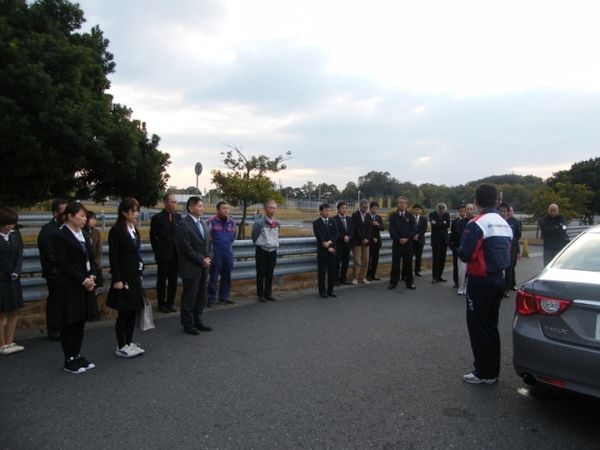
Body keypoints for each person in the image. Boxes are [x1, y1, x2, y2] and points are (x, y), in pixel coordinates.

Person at [459, 184, 512, 384]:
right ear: (496, 201)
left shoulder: (477, 223)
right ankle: (492, 370)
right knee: (491, 325)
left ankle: (483, 371)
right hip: (499, 278)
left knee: (478, 326)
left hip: (480, 280)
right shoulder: (503, 222)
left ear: (476, 201)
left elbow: (465, 253)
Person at [51, 202, 98, 373]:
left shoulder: (83, 234)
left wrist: (92, 276)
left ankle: (77, 354)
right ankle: (69, 358)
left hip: (85, 283)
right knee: (69, 322)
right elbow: (63, 263)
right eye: (82, 216)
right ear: (70, 216)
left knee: (80, 321)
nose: (85, 219)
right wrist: (83, 280)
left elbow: (91, 258)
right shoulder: (60, 235)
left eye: (85, 216)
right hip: (69, 285)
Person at [106, 198, 146, 358]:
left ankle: (129, 342)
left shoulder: (134, 229)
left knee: (133, 310)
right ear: (124, 212)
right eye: (133, 210)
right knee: (124, 312)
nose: (136, 213)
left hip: (135, 276)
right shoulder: (116, 230)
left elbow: (137, 253)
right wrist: (117, 279)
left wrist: (140, 271)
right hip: (123, 278)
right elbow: (113, 257)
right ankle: (121, 345)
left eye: (137, 210)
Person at [174, 196, 213, 335]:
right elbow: (186, 248)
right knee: (189, 297)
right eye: (199, 206)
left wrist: (209, 257)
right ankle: (188, 324)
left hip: (204, 266)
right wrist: (201, 260)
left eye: (202, 206)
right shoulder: (183, 225)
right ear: (190, 208)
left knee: (201, 296)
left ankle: (198, 320)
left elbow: (209, 243)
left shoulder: (203, 223)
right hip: (191, 267)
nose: (202, 208)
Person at [37, 198, 67, 341]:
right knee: (56, 300)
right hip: (54, 272)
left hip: (67, 271)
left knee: (66, 300)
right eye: (63, 212)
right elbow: (49, 253)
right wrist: (64, 263)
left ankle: (65, 326)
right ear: (55, 213)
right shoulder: (47, 230)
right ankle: (54, 329)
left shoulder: (67, 227)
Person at [150, 193, 182, 313]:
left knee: (173, 279)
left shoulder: (178, 217)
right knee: (162, 280)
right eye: (172, 202)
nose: (174, 204)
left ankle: (171, 302)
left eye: (175, 202)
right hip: (163, 255)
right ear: (165, 203)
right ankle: (161, 304)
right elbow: (153, 238)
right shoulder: (157, 218)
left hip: (175, 255)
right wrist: (158, 251)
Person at [0, 207, 25, 355]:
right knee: (1, 312)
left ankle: (10, 342)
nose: (10, 226)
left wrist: (16, 271)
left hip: (14, 278)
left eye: (12, 223)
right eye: (7, 224)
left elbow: (19, 253)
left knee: (14, 309)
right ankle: (1, 344)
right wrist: (8, 271)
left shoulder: (15, 234)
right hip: (1, 279)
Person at [206, 201, 236, 306]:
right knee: (213, 277)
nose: (226, 210)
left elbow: (233, 236)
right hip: (215, 253)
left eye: (227, 208)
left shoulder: (232, 222)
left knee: (227, 276)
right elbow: (207, 237)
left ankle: (224, 297)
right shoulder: (211, 221)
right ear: (218, 210)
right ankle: (211, 298)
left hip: (228, 252)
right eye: (223, 208)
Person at [252, 200, 280, 302]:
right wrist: (262, 244)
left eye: (274, 208)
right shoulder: (259, 223)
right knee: (261, 273)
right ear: (265, 209)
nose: (272, 210)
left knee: (270, 273)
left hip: (273, 251)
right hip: (262, 251)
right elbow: (254, 237)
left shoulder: (277, 223)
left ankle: (268, 293)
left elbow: (277, 235)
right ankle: (260, 294)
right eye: (270, 208)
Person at [388, 197, 417, 290]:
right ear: (397, 204)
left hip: (408, 244)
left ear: (407, 204)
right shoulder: (393, 216)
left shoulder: (410, 216)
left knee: (408, 264)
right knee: (395, 264)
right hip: (397, 244)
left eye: (403, 202)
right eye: (400, 202)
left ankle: (409, 282)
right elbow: (391, 230)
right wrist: (398, 239)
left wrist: (407, 239)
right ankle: (393, 282)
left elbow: (414, 230)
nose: (401, 204)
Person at [313, 203, 338, 298]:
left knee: (332, 271)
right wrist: (327, 246)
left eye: (329, 210)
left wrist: (330, 243)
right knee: (322, 272)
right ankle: (322, 291)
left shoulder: (333, 221)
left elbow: (335, 234)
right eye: (326, 211)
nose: (328, 212)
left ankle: (330, 290)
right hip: (322, 251)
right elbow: (319, 236)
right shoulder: (316, 223)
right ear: (321, 211)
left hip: (332, 250)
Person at [83, 210, 102, 321]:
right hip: (86, 265)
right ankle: (89, 313)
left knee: (95, 290)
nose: (93, 221)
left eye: (95, 219)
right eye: (91, 218)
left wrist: (97, 262)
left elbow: (99, 249)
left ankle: (95, 313)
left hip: (95, 265)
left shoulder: (96, 232)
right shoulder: (82, 232)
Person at [350, 199, 372, 284]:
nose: (365, 209)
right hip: (357, 241)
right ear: (360, 206)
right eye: (364, 207)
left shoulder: (368, 215)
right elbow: (355, 229)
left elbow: (370, 229)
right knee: (357, 261)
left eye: (367, 207)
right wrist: (362, 238)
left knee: (365, 260)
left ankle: (363, 277)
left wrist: (367, 238)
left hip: (366, 242)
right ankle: (355, 278)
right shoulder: (355, 215)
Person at [449, 205, 469, 294]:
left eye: (463, 210)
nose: (462, 212)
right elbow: (452, 233)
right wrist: (451, 244)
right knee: (456, 265)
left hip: (465, 246)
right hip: (456, 246)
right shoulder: (454, 221)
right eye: (460, 210)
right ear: (458, 211)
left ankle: (465, 282)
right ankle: (456, 281)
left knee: (465, 266)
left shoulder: (468, 221)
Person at [333, 201, 353, 285]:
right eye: (342, 208)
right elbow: (335, 231)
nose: (344, 210)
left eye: (345, 208)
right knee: (337, 263)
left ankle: (343, 279)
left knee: (345, 263)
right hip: (339, 245)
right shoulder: (334, 219)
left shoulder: (349, 219)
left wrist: (349, 237)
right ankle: (335, 280)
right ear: (338, 209)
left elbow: (352, 230)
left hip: (347, 245)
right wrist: (343, 237)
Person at [429, 203, 450, 283]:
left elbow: (448, 224)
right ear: (437, 208)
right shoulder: (432, 214)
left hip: (444, 240)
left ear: (444, 209)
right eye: (440, 208)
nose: (441, 210)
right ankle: (434, 277)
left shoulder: (447, 215)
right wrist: (442, 223)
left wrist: (438, 223)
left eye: (443, 209)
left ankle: (439, 276)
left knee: (442, 259)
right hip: (435, 240)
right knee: (436, 259)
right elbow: (433, 225)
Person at [367, 201, 384, 281]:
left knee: (375, 259)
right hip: (369, 241)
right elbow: (365, 230)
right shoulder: (367, 217)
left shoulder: (378, 217)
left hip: (377, 241)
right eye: (373, 208)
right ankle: (368, 275)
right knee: (368, 259)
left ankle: (373, 274)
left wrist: (378, 225)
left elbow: (382, 228)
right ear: (370, 209)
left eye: (376, 208)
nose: (375, 210)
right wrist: (372, 238)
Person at [506, 205, 522, 292]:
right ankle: (505, 286)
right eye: (508, 211)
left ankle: (512, 284)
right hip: (504, 247)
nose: (509, 212)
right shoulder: (503, 220)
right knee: (506, 267)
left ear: (513, 212)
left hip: (513, 247)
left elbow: (518, 235)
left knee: (512, 266)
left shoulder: (516, 222)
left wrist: (518, 251)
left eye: (510, 211)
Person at [411, 204, 428, 277]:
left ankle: (417, 270)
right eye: (415, 209)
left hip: (420, 240)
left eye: (418, 209)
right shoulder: (410, 218)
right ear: (413, 210)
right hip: (411, 240)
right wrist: (413, 235)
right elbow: (407, 228)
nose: (417, 211)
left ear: (420, 210)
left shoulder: (423, 219)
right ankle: (407, 271)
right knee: (409, 257)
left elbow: (424, 229)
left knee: (418, 257)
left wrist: (418, 235)